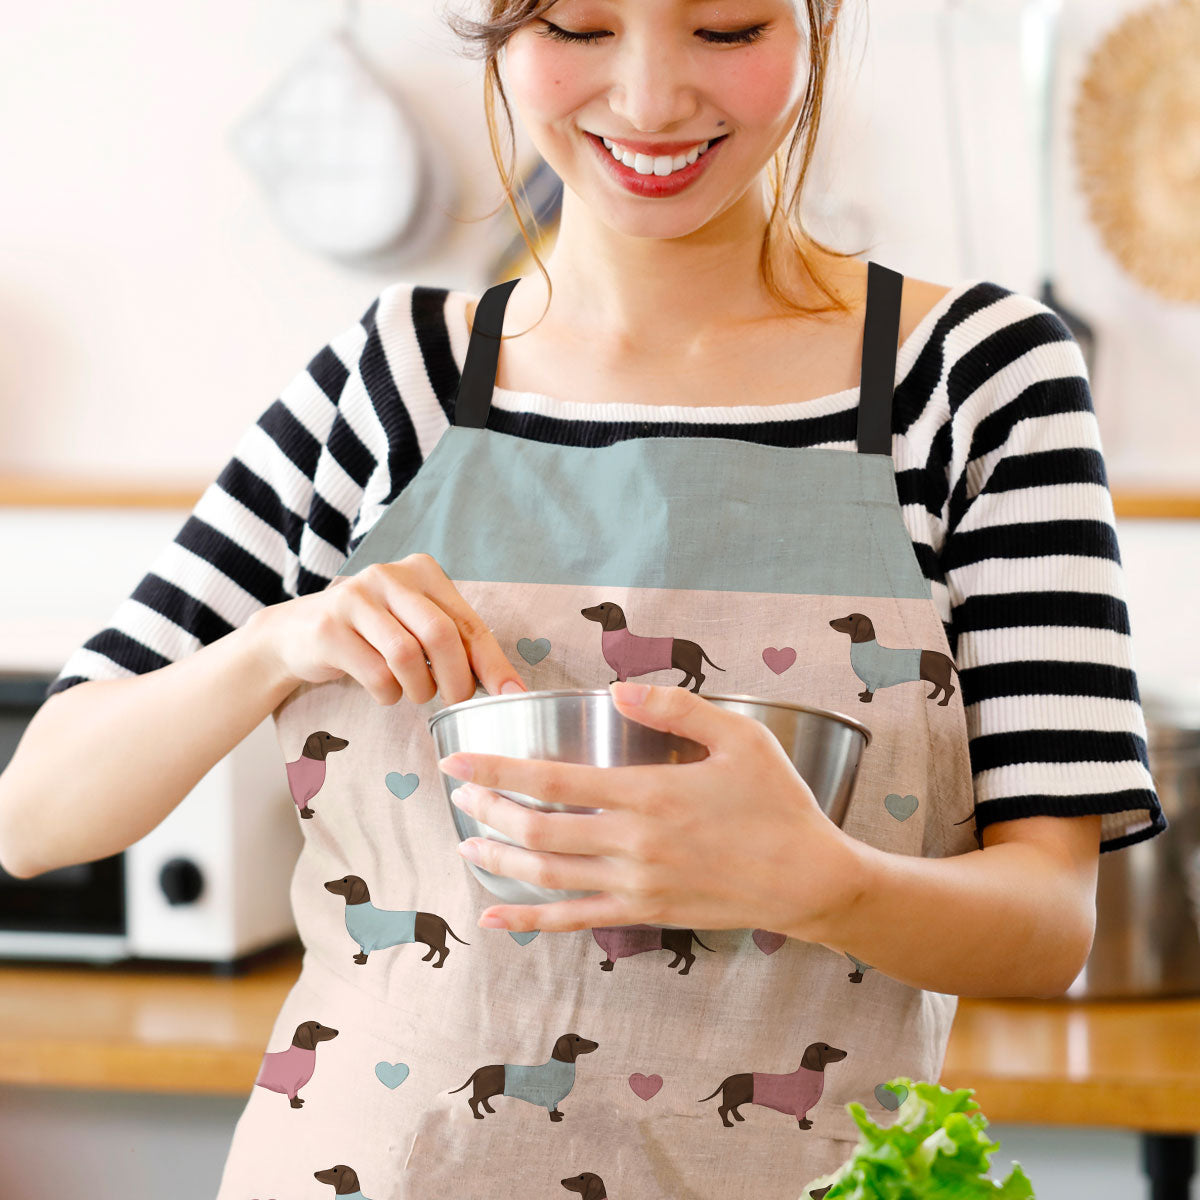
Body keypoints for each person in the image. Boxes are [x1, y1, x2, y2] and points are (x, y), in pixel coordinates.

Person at [0, 1, 1166, 1196]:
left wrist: (821, 882)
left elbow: (1047, 924)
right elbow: (34, 816)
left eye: (726, 28)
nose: (653, 100)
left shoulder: (976, 381)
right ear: (499, 32)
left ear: (816, 22)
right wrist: (275, 641)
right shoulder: (393, 380)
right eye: (578, 25)